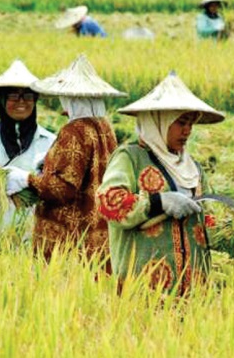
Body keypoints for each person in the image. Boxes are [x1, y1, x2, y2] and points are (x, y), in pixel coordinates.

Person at [96, 71, 225, 296]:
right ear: (158, 121)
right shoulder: (131, 157)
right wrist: (158, 202)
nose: (188, 130)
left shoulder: (192, 168)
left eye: (191, 123)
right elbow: (107, 202)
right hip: (144, 290)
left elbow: (207, 221)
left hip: (195, 293)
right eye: (181, 123)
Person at [5, 54, 125, 270]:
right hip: (99, 233)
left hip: (70, 242)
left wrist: (26, 179)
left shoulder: (74, 130)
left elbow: (62, 189)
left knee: (65, 298)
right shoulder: (105, 128)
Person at [0, 59, 56, 231]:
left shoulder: (52, 143)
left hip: (32, 237)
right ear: (1, 99)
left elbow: (58, 190)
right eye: (13, 96)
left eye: (28, 96)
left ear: (35, 99)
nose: (21, 101)